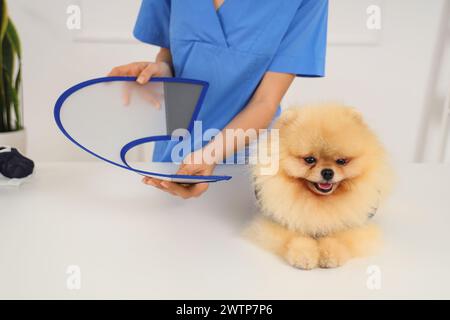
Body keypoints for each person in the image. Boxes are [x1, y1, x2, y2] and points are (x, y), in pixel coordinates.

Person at [109, 0, 328, 199]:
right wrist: (161, 70)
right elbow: (171, 53)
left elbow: (266, 101)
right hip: (172, 156)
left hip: (245, 165)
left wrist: (210, 155)